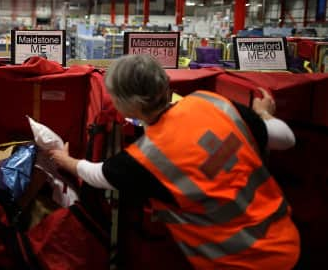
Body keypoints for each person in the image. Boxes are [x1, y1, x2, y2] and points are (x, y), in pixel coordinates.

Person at [49, 54, 300, 269]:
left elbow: (96, 174)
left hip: (235, 262)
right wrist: (263, 114)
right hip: (285, 243)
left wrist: (63, 159)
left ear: (124, 107)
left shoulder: (144, 159)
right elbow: (285, 138)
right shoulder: (210, 103)